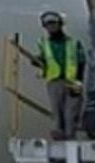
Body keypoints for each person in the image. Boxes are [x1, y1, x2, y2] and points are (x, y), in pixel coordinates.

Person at [34, 11, 85, 140]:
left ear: (60, 24)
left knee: (70, 114)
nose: (51, 28)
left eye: (54, 24)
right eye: (48, 25)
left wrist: (78, 83)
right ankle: (59, 136)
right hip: (54, 83)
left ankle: (69, 139)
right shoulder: (44, 44)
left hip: (72, 82)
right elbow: (42, 59)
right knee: (57, 114)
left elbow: (81, 62)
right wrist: (37, 61)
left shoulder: (73, 43)